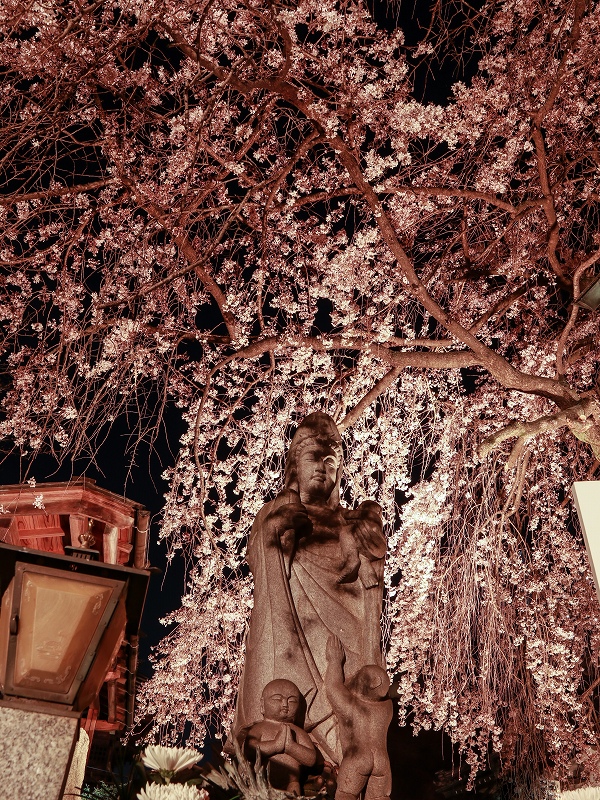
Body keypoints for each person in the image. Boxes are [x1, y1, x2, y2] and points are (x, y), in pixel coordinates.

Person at [232, 412, 386, 765]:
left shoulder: (350, 520)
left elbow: (369, 576)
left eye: (331, 461)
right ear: (294, 465)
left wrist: (369, 543)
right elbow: (261, 562)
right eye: (312, 457)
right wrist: (272, 534)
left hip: (346, 632)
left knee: (347, 715)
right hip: (287, 625)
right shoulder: (278, 511)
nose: (321, 466)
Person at [325, 635, 392, 800]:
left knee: (346, 795)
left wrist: (335, 661)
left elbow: (333, 687)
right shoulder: (386, 708)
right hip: (382, 762)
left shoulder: (352, 706)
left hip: (358, 758)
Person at [239, 679, 317, 795]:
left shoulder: (298, 732)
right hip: (263, 781)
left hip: (292, 782)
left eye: (292, 701)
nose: (285, 704)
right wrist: (275, 745)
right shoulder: (260, 728)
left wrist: (291, 747)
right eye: (277, 699)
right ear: (262, 704)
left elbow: (311, 759)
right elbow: (249, 750)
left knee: (294, 793)